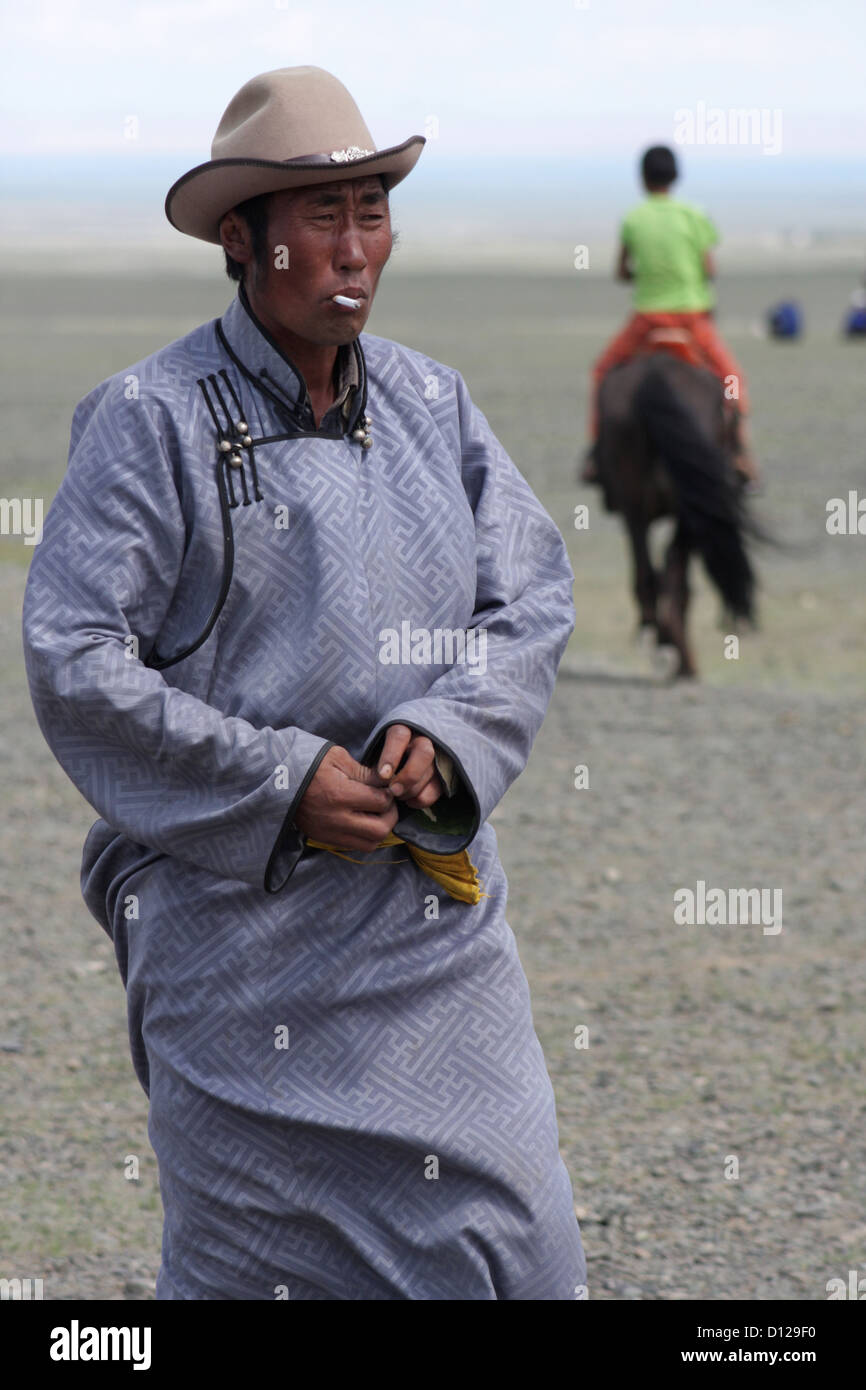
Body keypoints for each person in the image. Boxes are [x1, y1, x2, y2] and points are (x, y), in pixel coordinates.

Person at [22, 66, 587, 1300]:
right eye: (320, 215)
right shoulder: (148, 419)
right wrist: (283, 783)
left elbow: (530, 594)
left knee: (521, 1248)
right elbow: (74, 653)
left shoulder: (438, 406)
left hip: (428, 928)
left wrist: (444, 734)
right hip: (236, 946)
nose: (353, 247)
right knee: (253, 1273)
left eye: (371, 210)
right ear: (244, 239)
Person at [582, 144, 759, 488]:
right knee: (733, 378)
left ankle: (597, 451)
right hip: (692, 320)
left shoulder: (633, 218)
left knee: (602, 372)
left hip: (646, 321)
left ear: (643, 179)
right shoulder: (695, 215)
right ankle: (740, 451)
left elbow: (622, 271)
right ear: (675, 176)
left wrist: (644, 277)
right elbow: (709, 268)